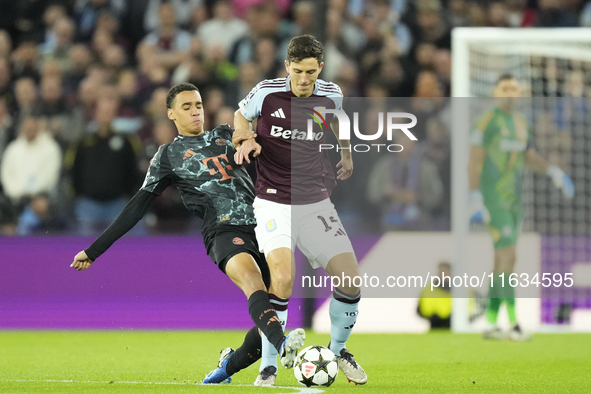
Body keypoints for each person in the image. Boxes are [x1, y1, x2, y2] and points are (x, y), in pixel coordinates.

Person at [69, 83, 305, 382]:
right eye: (186, 106)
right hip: (222, 230)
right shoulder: (168, 155)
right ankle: (283, 346)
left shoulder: (225, 134)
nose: (195, 111)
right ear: (171, 114)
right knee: (252, 280)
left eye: (198, 105)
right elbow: (136, 207)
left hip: (262, 224)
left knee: (270, 311)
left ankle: (225, 368)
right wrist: (94, 250)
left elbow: (270, 151)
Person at [206, 35, 367, 387]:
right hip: (273, 200)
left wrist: (346, 152)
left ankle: (338, 350)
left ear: (320, 68)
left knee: (351, 279)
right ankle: (269, 366)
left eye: (311, 71)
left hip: (315, 202)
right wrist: (244, 138)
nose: (304, 78)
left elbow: (338, 119)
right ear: (287, 67)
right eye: (298, 71)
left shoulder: (331, 93)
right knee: (281, 279)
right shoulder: (267, 92)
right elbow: (239, 115)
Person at [468, 74, 574, 341]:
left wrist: (552, 172)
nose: (510, 92)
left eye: (514, 88)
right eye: (504, 87)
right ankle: (514, 323)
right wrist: (474, 196)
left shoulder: (521, 123)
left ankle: (491, 323)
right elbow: (474, 161)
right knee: (509, 256)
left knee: (500, 260)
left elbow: (528, 156)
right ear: (495, 91)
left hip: (515, 200)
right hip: (494, 198)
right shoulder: (487, 121)